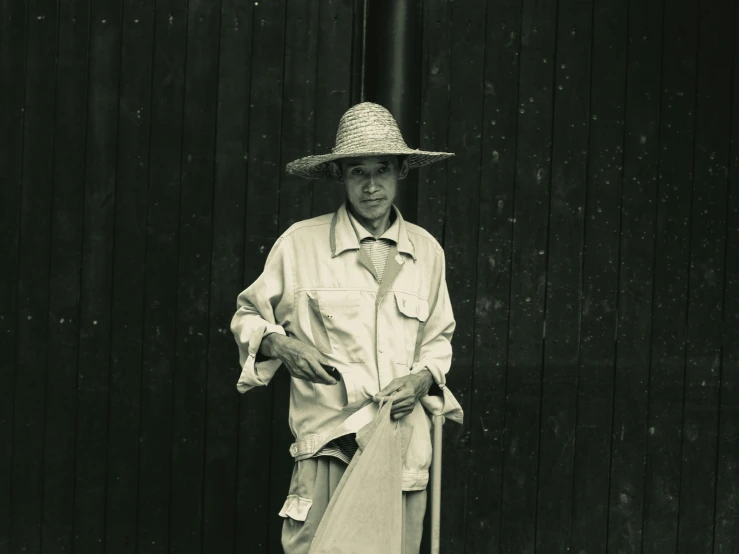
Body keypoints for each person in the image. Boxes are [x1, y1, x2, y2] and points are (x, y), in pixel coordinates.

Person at [230, 102, 463, 554]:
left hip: (401, 455)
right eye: (359, 172)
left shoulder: (427, 253)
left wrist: (420, 380)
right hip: (330, 449)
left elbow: (438, 342)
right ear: (341, 176)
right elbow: (247, 316)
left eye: (383, 170)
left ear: (401, 173)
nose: (372, 186)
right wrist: (281, 344)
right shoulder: (300, 245)